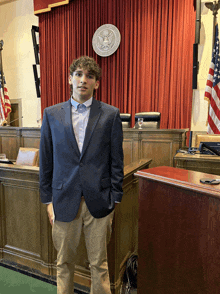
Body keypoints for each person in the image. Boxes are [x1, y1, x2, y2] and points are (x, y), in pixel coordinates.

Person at [39, 56, 124, 294]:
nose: (83, 80)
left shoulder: (110, 115)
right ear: (70, 79)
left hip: (99, 202)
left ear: (96, 83)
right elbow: (46, 160)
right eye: (78, 74)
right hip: (64, 200)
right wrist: (47, 200)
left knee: (99, 264)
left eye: (89, 76)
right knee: (64, 263)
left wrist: (115, 198)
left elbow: (117, 160)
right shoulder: (52, 114)